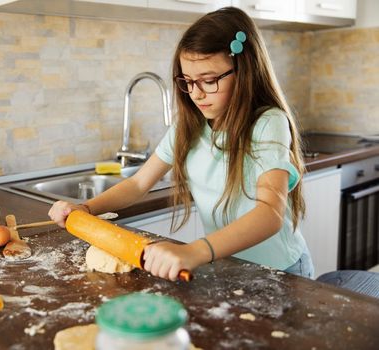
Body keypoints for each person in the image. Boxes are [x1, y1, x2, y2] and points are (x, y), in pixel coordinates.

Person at [48, 6, 314, 281]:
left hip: (282, 270)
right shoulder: (188, 127)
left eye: (209, 81)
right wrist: (87, 208)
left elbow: (269, 214)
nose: (196, 94)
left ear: (245, 71)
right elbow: (139, 184)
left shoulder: (268, 123)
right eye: (188, 81)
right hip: (230, 267)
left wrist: (195, 251)